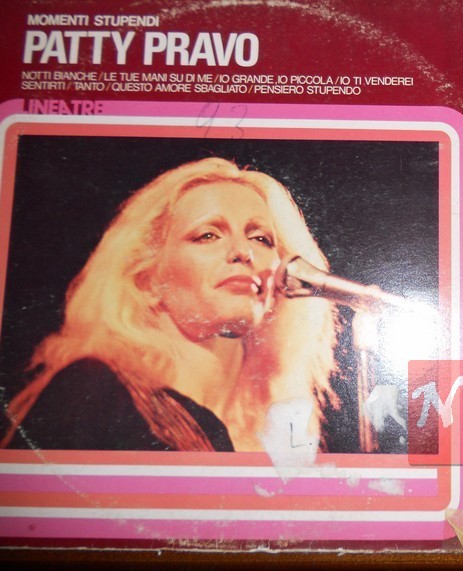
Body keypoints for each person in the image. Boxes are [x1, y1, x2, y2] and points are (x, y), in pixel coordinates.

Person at [1, 157, 338, 452]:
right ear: (146, 278)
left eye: (261, 239)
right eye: (207, 235)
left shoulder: (274, 441)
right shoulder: (94, 390)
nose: (243, 251)